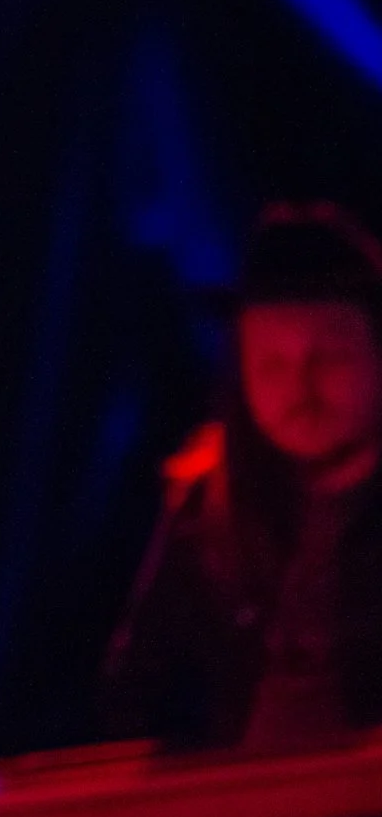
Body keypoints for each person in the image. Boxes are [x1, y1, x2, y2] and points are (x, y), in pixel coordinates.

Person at [101, 201, 382, 750]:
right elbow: (138, 693)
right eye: (272, 364)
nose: (301, 389)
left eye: (330, 359)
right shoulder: (205, 508)